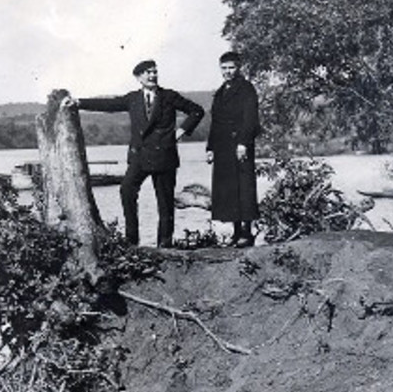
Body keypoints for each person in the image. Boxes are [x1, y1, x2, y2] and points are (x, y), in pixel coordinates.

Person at [63, 59, 205, 247]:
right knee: (127, 190)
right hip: (139, 156)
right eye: (147, 72)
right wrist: (79, 102)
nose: (152, 75)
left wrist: (180, 132)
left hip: (165, 156)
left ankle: (164, 244)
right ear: (138, 77)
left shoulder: (169, 96)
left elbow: (197, 111)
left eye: (155, 72)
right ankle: (131, 241)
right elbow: (108, 104)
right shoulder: (133, 99)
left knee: (165, 203)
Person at [206, 50, 260, 247]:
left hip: (240, 146)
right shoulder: (220, 92)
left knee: (244, 188)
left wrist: (243, 143)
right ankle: (236, 232)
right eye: (224, 68)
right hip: (223, 149)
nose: (228, 71)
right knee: (229, 190)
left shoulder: (246, 89)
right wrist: (210, 148)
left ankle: (247, 231)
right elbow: (215, 123)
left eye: (231, 68)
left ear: (239, 68)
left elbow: (251, 120)